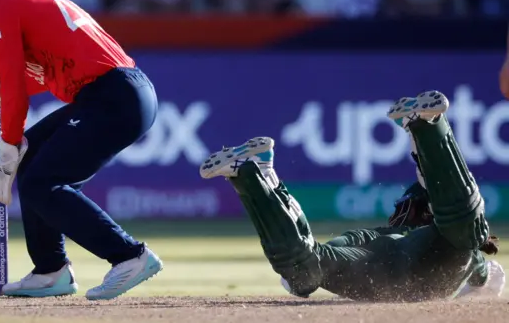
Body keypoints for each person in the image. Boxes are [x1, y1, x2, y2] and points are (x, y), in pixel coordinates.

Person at [0, 0, 163, 299]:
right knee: (34, 168)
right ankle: (51, 270)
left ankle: (129, 256)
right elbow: (51, 71)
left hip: (112, 96)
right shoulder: (26, 0)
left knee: (41, 182)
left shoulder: (2, 9)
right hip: (121, 92)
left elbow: (16, 87)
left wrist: (8, 146)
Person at [200, 91, 505, 301]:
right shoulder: (378, 237)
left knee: (467, 233)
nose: (400, 212)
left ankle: (426, 124)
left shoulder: (460, 243)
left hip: (416, 266)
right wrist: (303, 267)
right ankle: (250, 171)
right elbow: (322, 256)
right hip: (381, 274)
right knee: (305, 274)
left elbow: (487, 273)